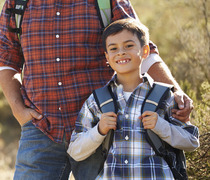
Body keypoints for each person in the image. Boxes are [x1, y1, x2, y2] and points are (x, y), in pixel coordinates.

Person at [0, 0, 193, 179]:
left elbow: (141, 49)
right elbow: (6, 59)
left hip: (103, 129)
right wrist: (19, 110)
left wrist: (173, 92)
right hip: (40, 132)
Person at [67, 18, 199, 179]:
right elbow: (75, 151)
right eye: (113, 48)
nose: (121, 52)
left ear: (145, 51)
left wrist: (161, 126)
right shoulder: (97, 100)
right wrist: (99, 131)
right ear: (107, 57)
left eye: (129, 46)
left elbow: (191, 142)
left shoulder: (164, 96)